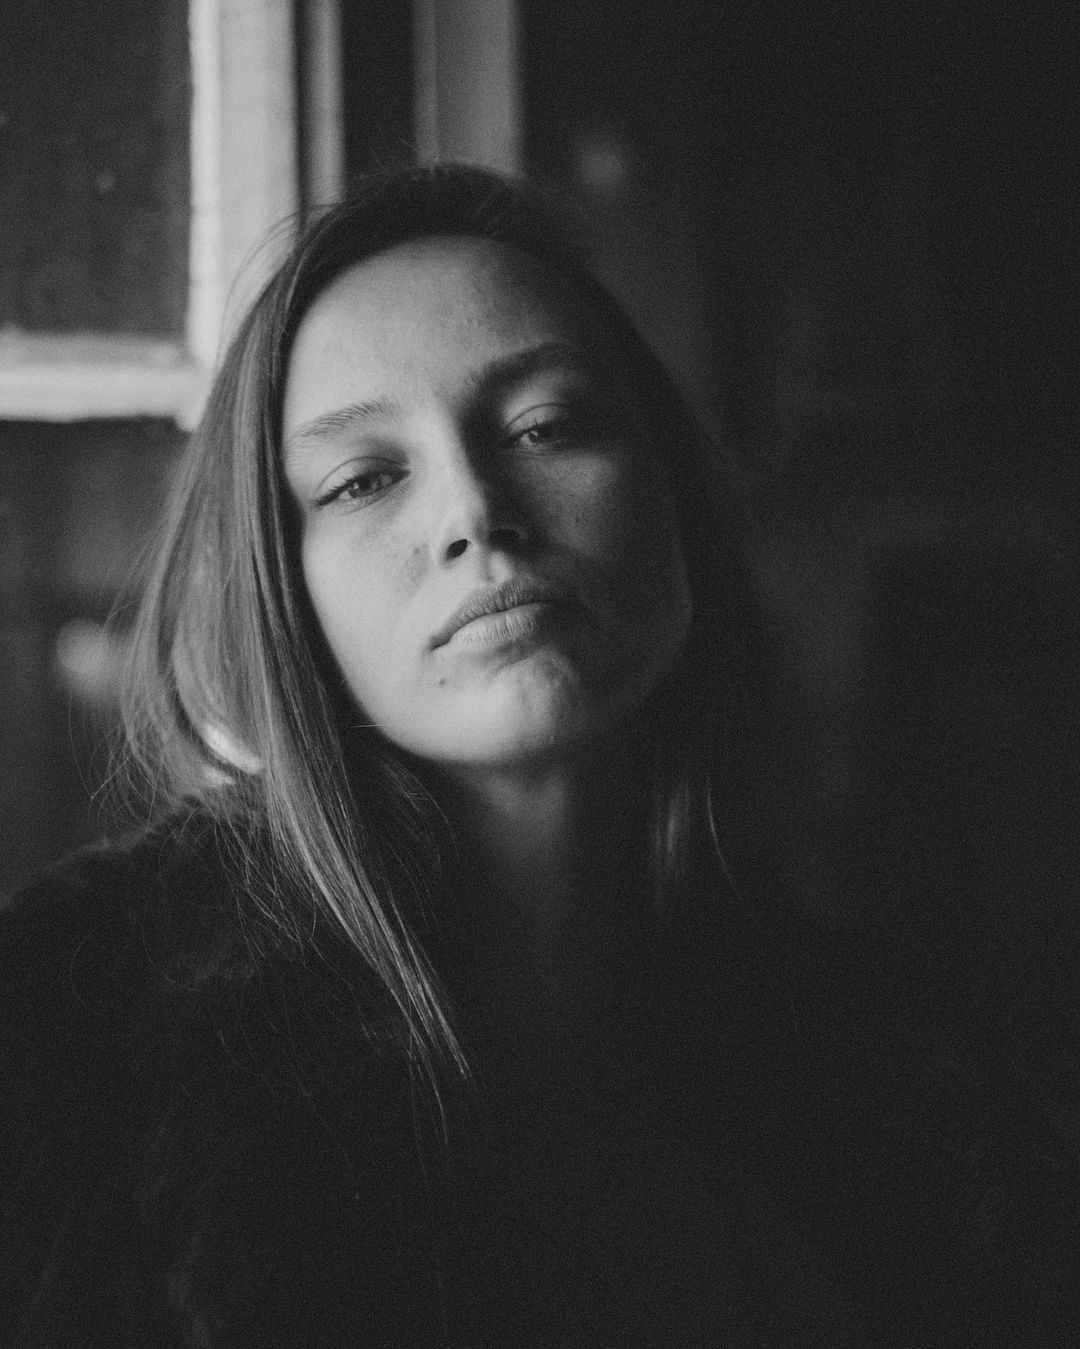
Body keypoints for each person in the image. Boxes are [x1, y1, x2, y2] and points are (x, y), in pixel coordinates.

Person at [1, 164, 1075, 1346]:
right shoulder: (63, 1052)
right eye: (363, 478)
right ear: (280, 594)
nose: (474, 511)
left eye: (547, 424)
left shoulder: (908, 1071)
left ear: (675, 495)